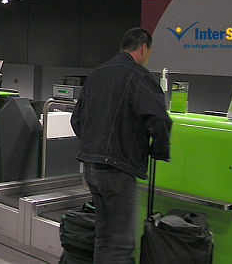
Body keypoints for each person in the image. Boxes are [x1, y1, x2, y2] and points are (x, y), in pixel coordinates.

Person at [70, 27, 172, 263]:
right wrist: (158, 150)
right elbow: (159, 119)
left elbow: (76, 119)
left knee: (105, 236)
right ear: (143, 48)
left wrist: (91, 146)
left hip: (91, 165)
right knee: (121, 243)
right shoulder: (139, 76)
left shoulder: (96, 74)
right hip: (118, 167)